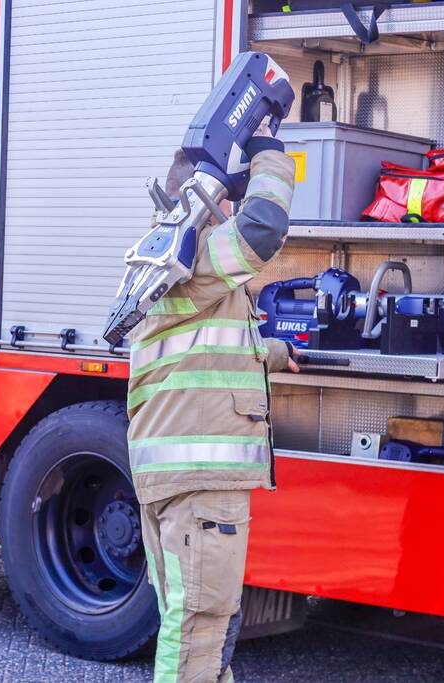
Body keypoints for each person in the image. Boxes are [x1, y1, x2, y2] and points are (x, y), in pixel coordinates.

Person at [128, 124, 298, 683]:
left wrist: (271, 352)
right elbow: (265, 227)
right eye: (226, 199)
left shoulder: (165, 262)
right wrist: (269, 150)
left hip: (175, 476)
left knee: (203, 628)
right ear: (204, 203)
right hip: (199, 481)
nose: (231, 210)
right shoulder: (194, 251)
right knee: (201, 628)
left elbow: (197, 347)